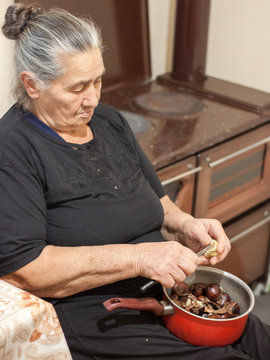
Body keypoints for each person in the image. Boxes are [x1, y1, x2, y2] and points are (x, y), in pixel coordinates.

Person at [0, 3, 269, 360]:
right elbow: (26, 269)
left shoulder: (109, 121)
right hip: (101, 311)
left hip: (165, 292)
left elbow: (158, 203)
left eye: (97, 80)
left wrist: (186, 225)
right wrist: (141, 257)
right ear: (31, 84)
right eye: (78, 87)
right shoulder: (15, 147)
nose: (93, 98)